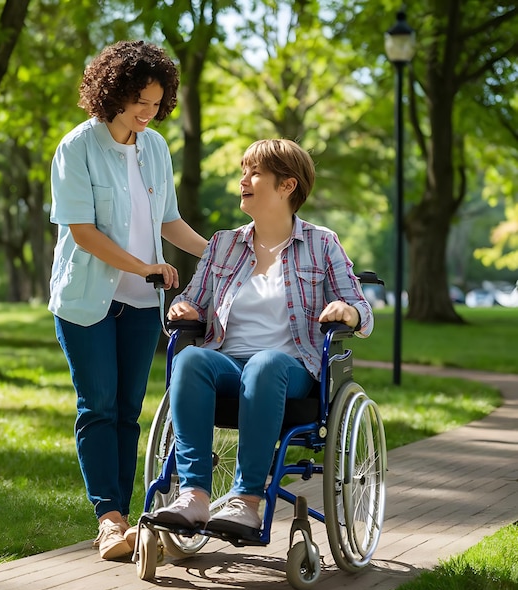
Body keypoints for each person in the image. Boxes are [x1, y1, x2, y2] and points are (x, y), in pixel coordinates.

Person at [149, 138, 374, 539]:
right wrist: (184, 309)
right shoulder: (224, 244)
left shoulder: (322, 243)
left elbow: (361, 308)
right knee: (189, 359)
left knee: (265, 363)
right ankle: (194, 495)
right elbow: (191, 300)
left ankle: (246, 502)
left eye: (254, 173)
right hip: (227, 363)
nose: (243, 180)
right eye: (243, 171)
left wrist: (349, 312)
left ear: (287, 185)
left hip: (289, 368)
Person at [48, 40, 208, 560]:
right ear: (113, 91)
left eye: (157, 102)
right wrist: (145, 266)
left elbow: (168, 222)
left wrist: (222, 253)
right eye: (140, 99)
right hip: (87, 300)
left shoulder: (155, 147)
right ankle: (109, 520)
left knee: (127, 412)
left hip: (143, 302)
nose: (148, 110)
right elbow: (82, 232)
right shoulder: (77, 147)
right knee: (97, 407)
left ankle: (129, 516)